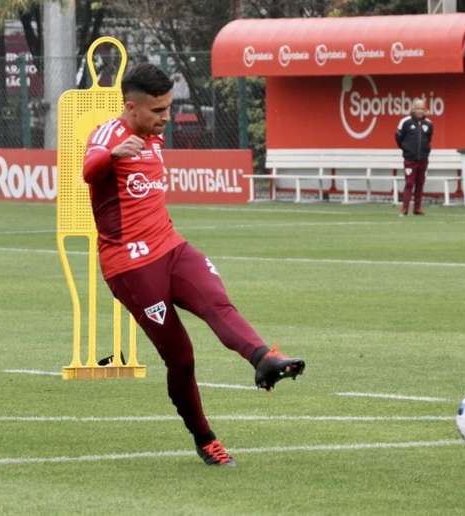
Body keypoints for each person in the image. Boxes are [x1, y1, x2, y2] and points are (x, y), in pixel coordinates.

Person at [82, 63, 305, 467]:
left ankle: (263, 359)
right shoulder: (108, 135)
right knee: (181, 358)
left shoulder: (153, 137)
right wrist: (113, 156)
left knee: (216, 301)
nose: (166, 116)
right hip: (131, 267)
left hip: (171, 247)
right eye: (158, 110)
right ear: (131, 108)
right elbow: (89, 168)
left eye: (169, 107)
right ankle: (205, 439)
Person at [395, 98, 433, 216]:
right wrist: (406, 149)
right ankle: (405, 208)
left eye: (422, 108)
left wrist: (425, 151)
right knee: (409, 183)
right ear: (412, 109)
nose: (420, 111)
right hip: (410, 159)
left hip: (423, 159)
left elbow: (429, 139)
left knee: (420, 183)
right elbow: (398, 138)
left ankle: (417, 208)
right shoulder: (405, 122)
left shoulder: (429, 123)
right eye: (418, 108)